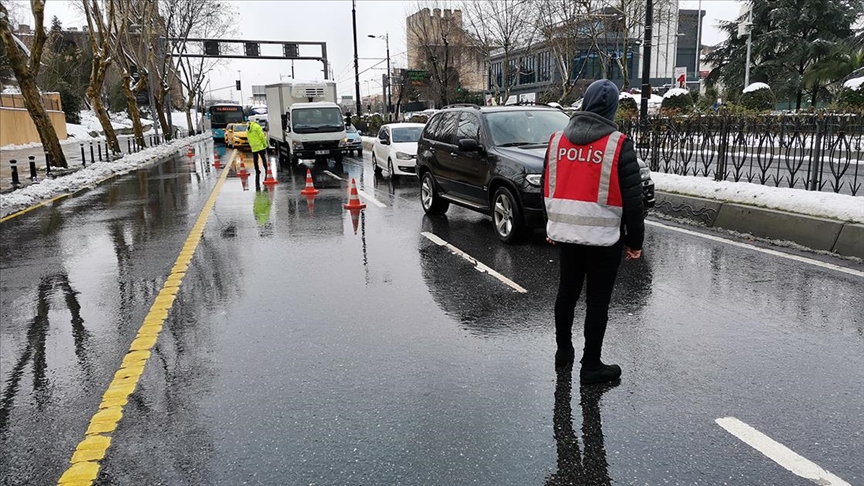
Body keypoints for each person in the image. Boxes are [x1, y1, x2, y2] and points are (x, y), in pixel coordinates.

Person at [544, 79, 645, 385]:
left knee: (566, 293)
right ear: (613, 109)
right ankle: (591, 366)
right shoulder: (618, 144)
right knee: (597, 302)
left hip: (566, 235)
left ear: (584, 104)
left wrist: (553, 224)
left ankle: (563, 352)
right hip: (604, 239)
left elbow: (548, 184)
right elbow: (633, 201)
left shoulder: (556, 140)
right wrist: (635, 242)